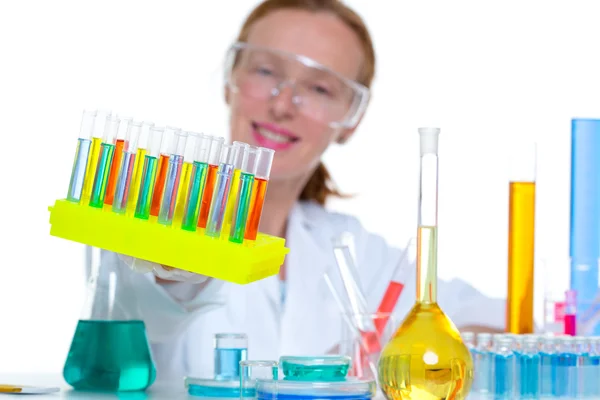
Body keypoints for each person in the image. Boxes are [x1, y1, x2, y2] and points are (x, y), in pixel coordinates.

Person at [105, 0, 505, 382]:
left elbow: (501, 321)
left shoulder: (355, 251)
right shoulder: (156, 213)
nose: (283, 105)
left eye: (319, 89)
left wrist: (383, 351)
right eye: (265, 71)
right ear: (230, 81)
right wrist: (174, 259)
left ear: (352, 119)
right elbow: (150, 300)